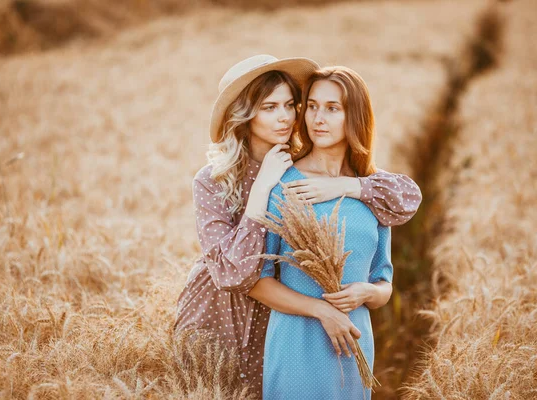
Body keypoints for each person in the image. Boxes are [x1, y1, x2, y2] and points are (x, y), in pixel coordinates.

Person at [174, 55, 422, 398]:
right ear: (244, 114)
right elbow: (237, 275)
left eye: (291, 104)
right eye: (270, 107)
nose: (285, 116)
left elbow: (402, 207)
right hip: (225, 311)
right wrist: (262, 187)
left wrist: (348, 187)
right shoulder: (227, 181)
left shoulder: (321, 174)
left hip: (303, 318)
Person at [249, 66, 396, 399]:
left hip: (353, 342)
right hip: (296, 343)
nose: (318, 118)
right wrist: (321, 310)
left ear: (355, 116)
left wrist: (364, 293)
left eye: (332, 108)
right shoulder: (283, 184)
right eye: (312, 106)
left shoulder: (372, 191)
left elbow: (384, 282)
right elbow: (256, 282)